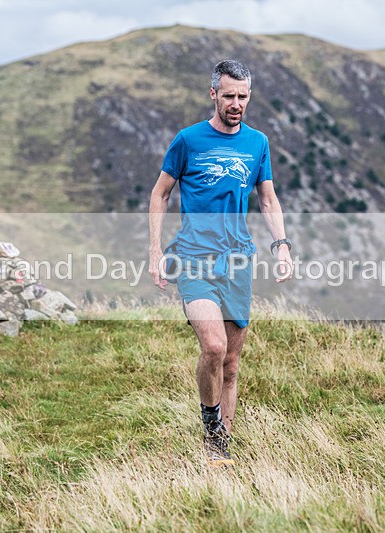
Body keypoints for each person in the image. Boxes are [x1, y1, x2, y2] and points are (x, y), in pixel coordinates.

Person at [148, 59, 293, 467]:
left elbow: (267, 198)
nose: (235, 103)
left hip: (238, 261)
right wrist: (155, 250)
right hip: (193, 258)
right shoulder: (188, 140)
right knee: (213, 346)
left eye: (242, 96)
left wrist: (281, 244)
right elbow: (160, 194)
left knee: (231, 362)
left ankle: (221, 447)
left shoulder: (257, 143)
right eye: (228, 95)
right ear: (213, 94)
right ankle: (212, 434)